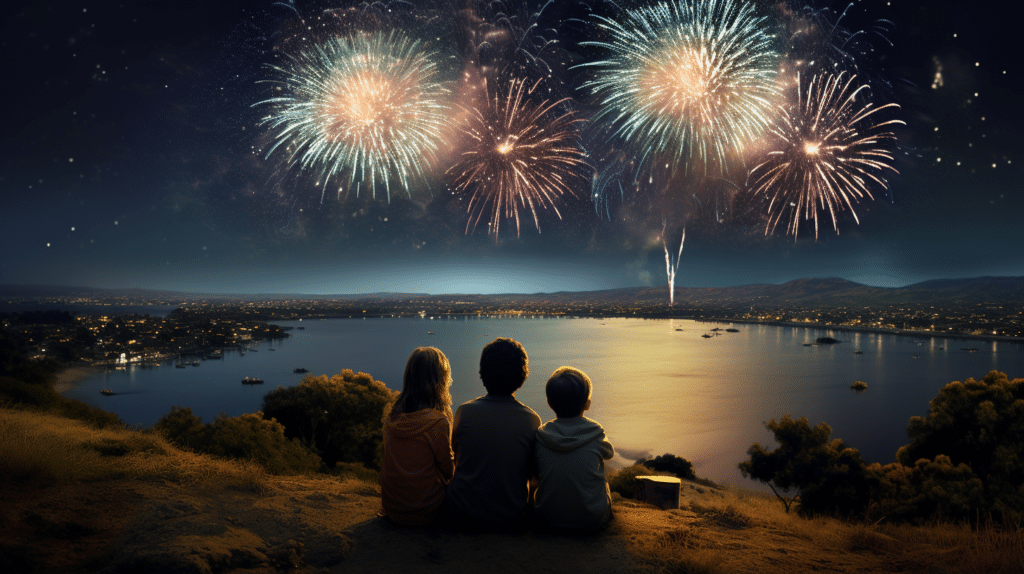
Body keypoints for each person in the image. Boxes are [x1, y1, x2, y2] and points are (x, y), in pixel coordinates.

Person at [445, 337, 541, 528]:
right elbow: (533, 476)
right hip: (510, 517)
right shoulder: (531, 420)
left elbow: (456, 459)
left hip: (463, 513)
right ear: (522, 378)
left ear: (482, 374)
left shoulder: (465, 412)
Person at [379, 347, 455, 526]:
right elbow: (448, 471)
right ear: (440, 379)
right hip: (426, 512)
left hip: (392, 509)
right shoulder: (437, 421)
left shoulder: (392, 417)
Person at [534, 366, 614, 531]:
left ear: (549, 403)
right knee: (602, 476)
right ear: (587, 404)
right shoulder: (595, 431)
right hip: (591, 521)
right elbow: (609, 453)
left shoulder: (541, 435)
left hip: (547, 519)